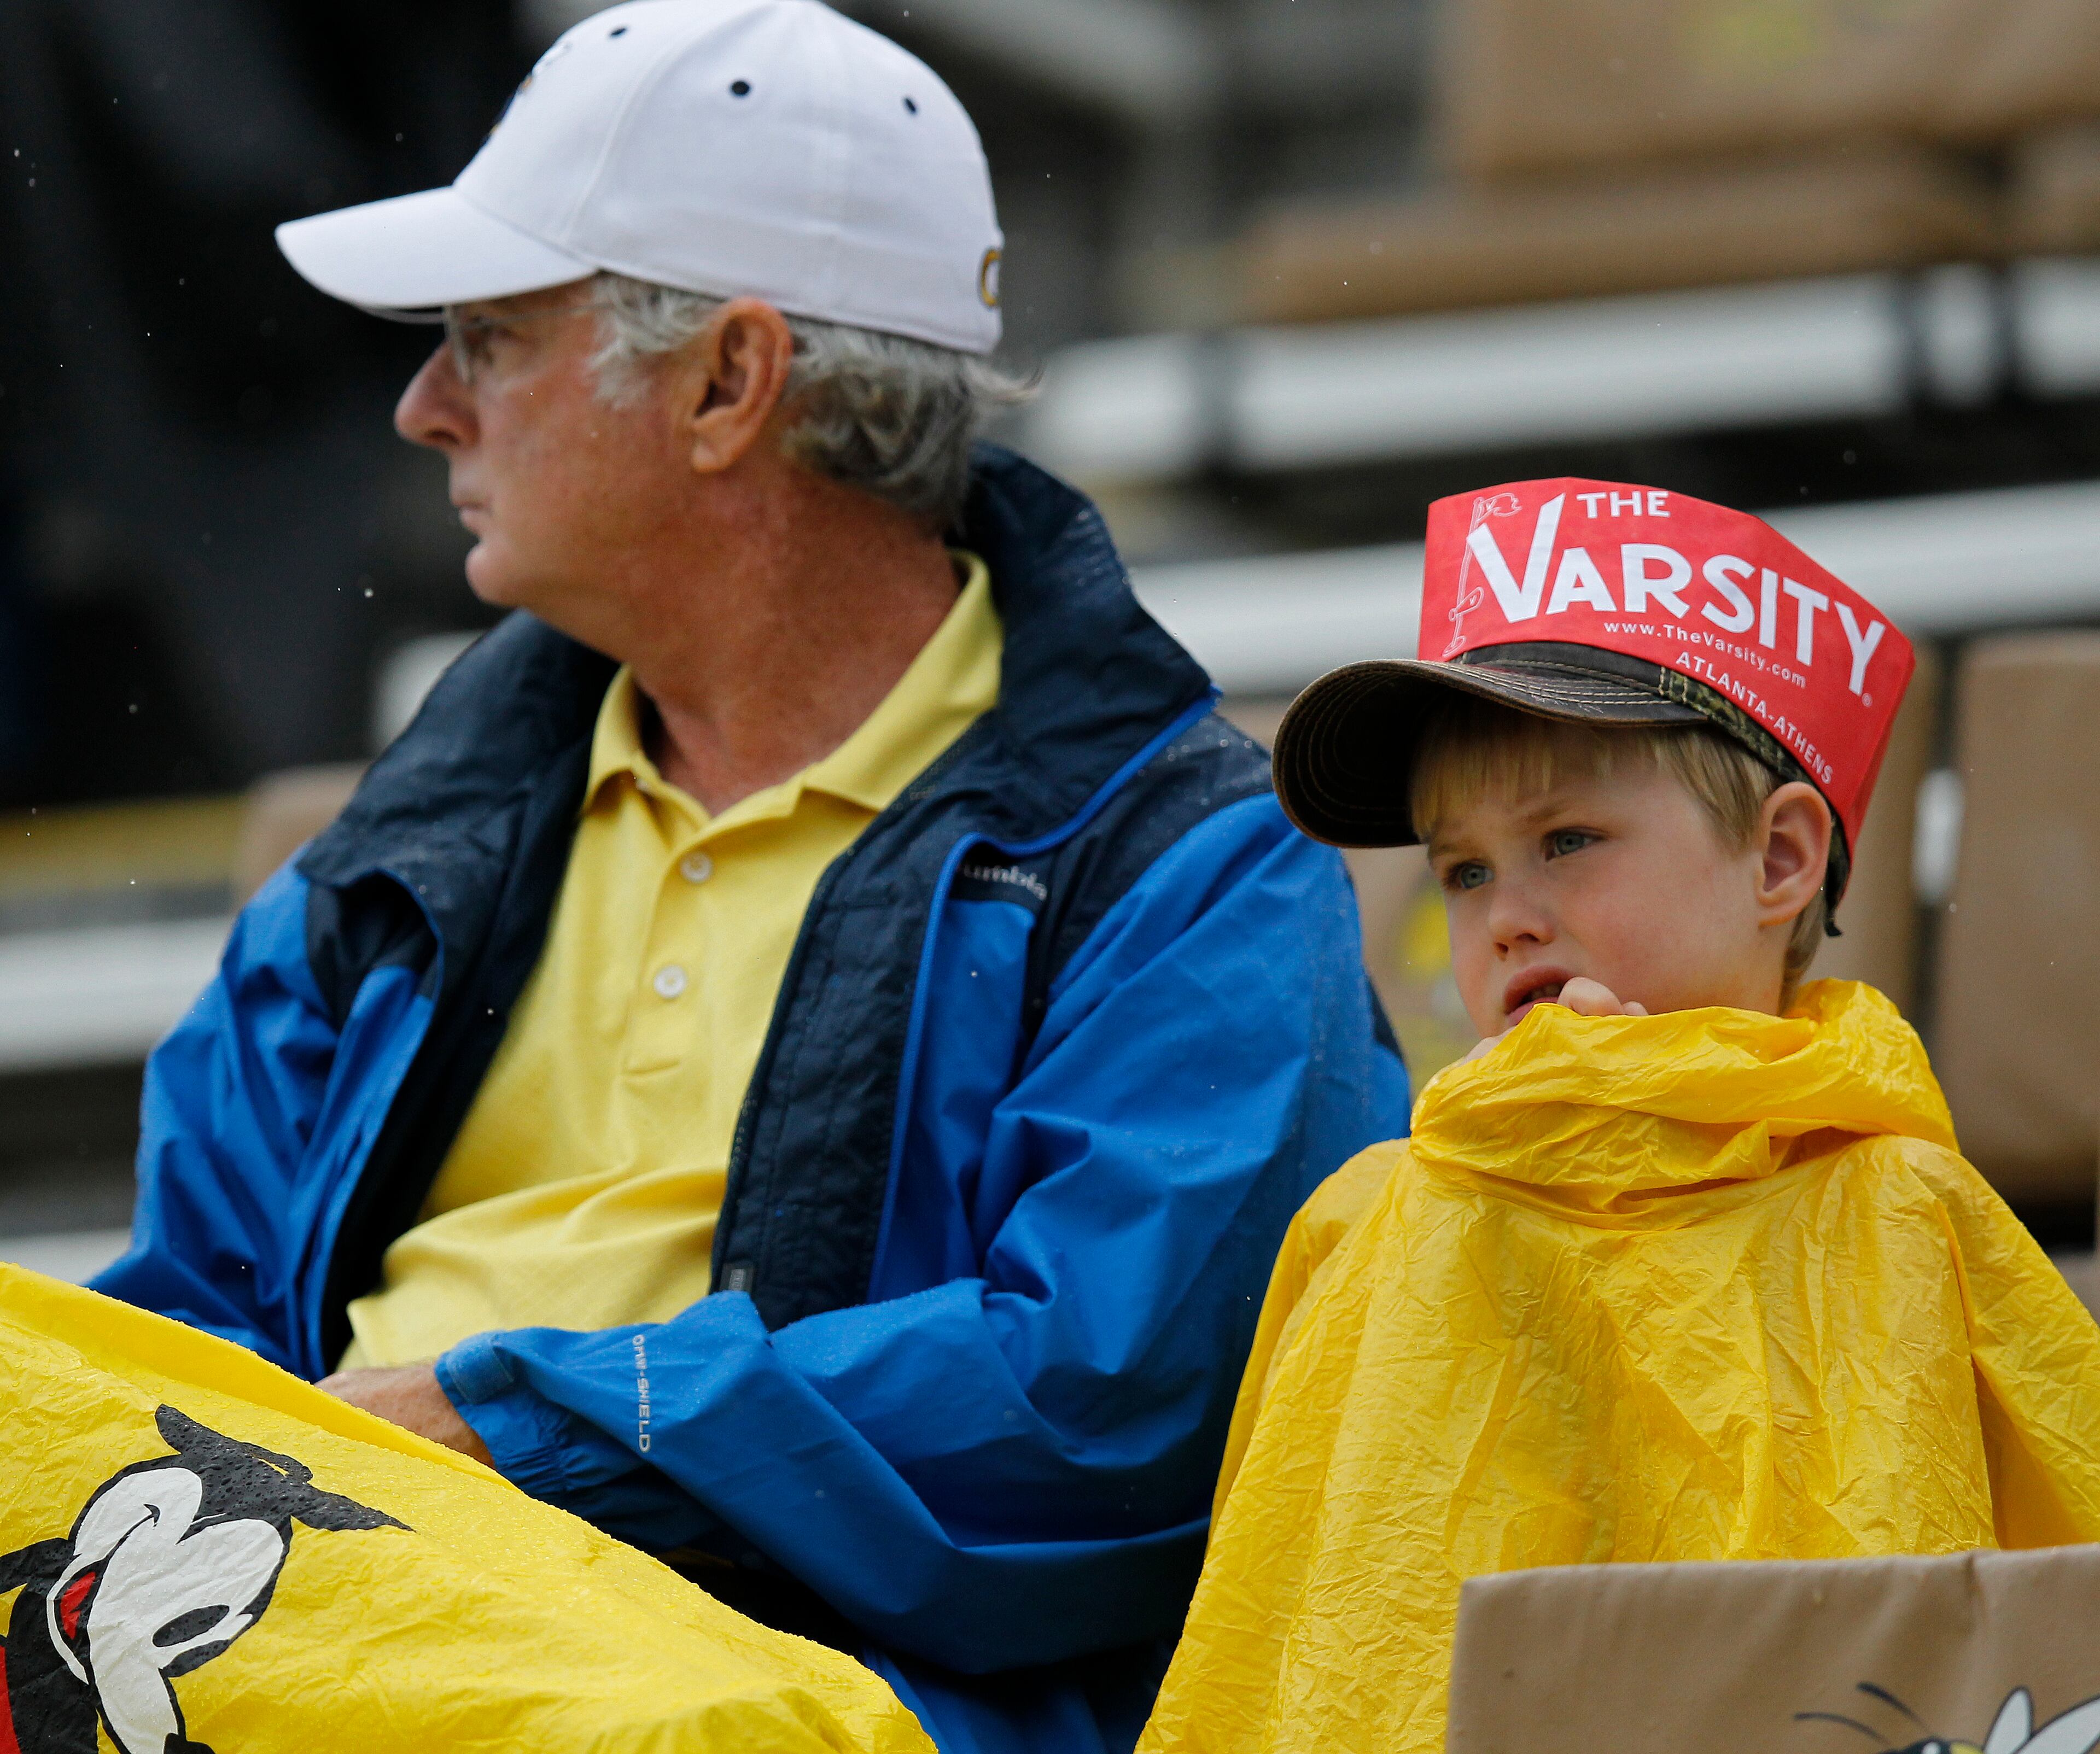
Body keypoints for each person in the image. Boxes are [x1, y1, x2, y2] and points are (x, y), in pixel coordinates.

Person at [92, 5, 1412, 1752]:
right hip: (316, 1626)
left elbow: (1110, 1426)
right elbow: (184, 1326)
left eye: (489, 340)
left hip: (770, 1695)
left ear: (729, 382)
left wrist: (518, 1428)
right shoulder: (404, 854)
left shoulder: (1191, 868)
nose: (420, 409)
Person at [1136, 478, 2100, 1754]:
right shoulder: (1373, 1219)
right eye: (1463, 867)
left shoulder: (1907, 1214)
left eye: (1568, 838)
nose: (1506, 914)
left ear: (1779, 861)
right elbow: (1290, 1655)